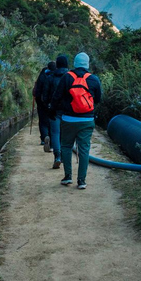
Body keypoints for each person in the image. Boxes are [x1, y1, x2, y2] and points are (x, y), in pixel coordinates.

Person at [52, 52, 102, 189]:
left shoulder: (66, 77)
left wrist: (53, 112)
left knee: (66, 147)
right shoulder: (94, 79)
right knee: (84, 150)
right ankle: (81, 181)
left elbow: (56, 97)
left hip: (68, 119)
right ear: (87, 64)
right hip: (87, 119)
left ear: (74, 63)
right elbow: (98, 99)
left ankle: (68, 177)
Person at [42, 55, 69, 168]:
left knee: (55, 133)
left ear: (57, 64)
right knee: (65, 134)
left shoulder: (50, 77)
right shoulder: (70, 77)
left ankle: (57, 156)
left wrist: (47, 106)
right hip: (68, 110)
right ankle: (63, 156)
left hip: (54, 109)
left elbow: (45, 95)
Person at [32, 62, 55, 146]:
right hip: (51, 103)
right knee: (51, 120)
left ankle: (44, 138)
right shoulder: (54, 76)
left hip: (41, 103)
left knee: (42, 120)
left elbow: (36, 91)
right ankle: (50, 137)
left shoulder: (41, 76)